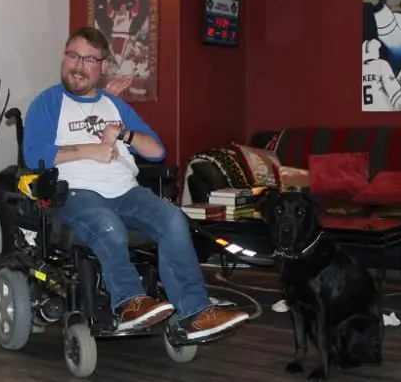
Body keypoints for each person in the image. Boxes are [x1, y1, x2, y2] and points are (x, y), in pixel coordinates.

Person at [23, 26, 249, 341]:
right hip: (75, 193)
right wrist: (92, 150)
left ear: (102, 66)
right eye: (73, 55)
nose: (78, 65)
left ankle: (195, 312)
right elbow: (34, 156)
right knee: (107, 222)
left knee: (172, 218)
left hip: (125, 191)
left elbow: (157, 152)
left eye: (89, 59)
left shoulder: (114, 106)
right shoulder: (47, 104)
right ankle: (129, 303)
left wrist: (125, 134)